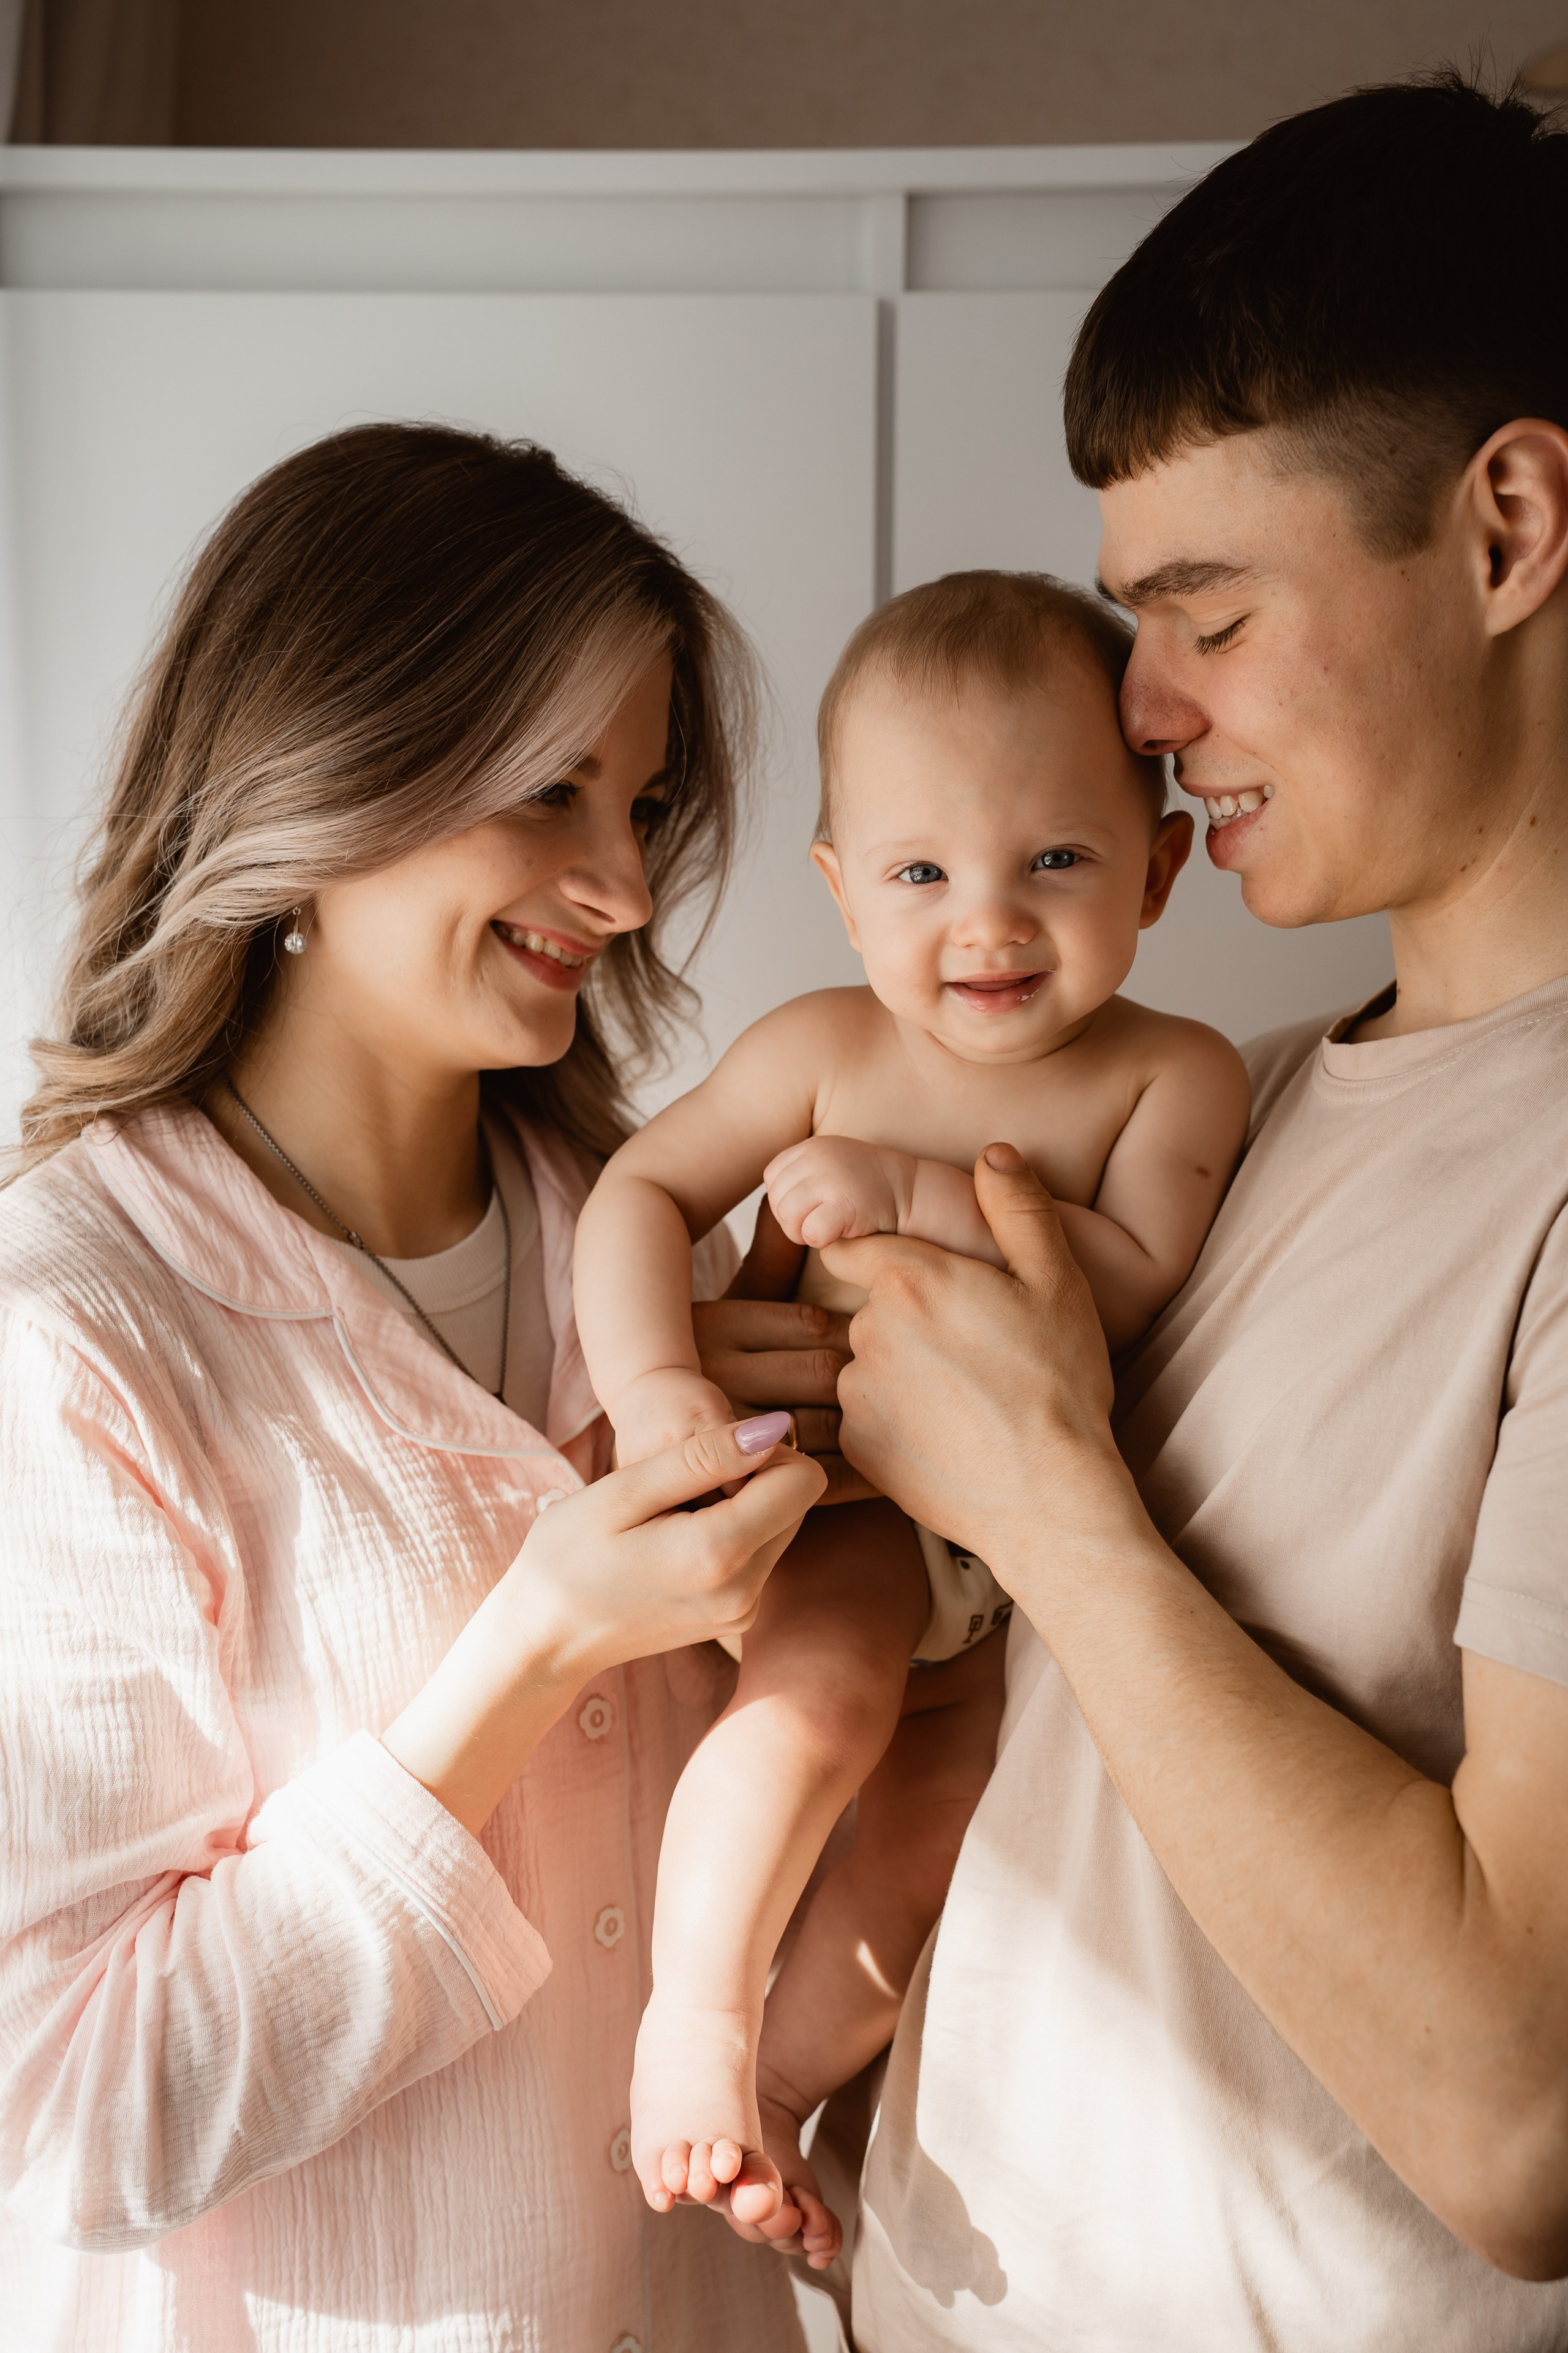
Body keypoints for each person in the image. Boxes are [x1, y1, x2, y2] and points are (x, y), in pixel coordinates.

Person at [803, 72, 1568, 2351]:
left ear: (1508, 525)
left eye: (1206, 610)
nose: (1139, 713)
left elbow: (1521, 2116)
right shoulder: (1241, 1107)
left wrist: (1042, 1497)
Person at [0, 420, 846, 2353]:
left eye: (641, 804)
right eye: (553, 788)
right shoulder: (71, 1331)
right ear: (329, 759)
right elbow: (72, 2107)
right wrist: (534, 1644)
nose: (624, 886)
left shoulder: (665, 1270)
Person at [573, 570, 1248, 2243]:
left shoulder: (1177, 1072)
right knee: (808, 1716)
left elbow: (1138, 1270)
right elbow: (639, 1195)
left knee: (938, 1832)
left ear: (1159, 866)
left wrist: (914, 1190)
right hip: (860, 1507)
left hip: (1027, 1552)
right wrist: (663, 1390)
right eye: (924, 872)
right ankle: (697, 2024)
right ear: (843, 888)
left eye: (1059, 861)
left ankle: (784, 2092)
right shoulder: (813, 1045)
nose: (990, 923)